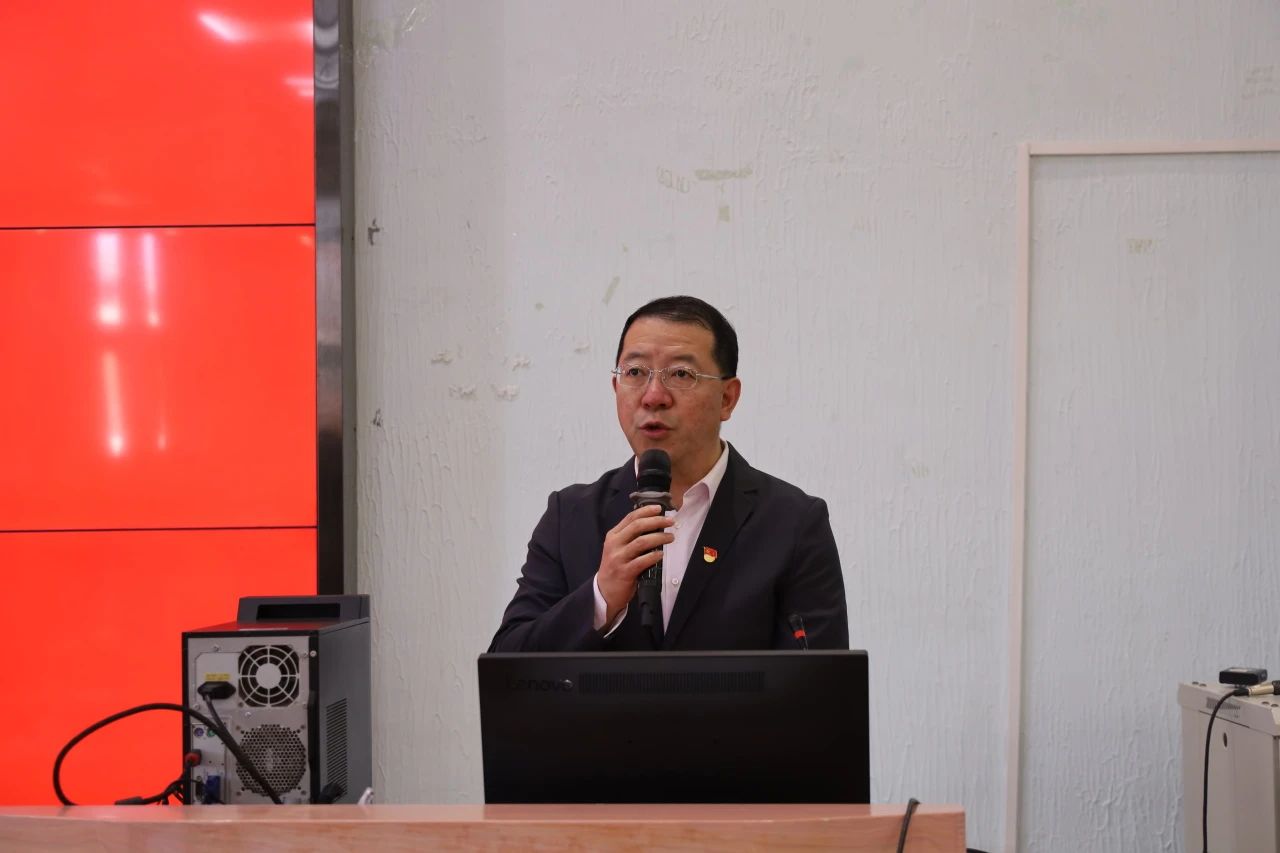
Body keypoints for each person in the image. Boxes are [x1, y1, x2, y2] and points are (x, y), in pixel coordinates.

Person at [489, 296, 848, 651]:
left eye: (681, 374)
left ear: (727, 398)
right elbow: (508, 667)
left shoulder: (792, 523)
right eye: (635, 373)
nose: (653, 396)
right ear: (616, 388)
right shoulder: (569, 517)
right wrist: (601, 597)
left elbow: (820, 680)